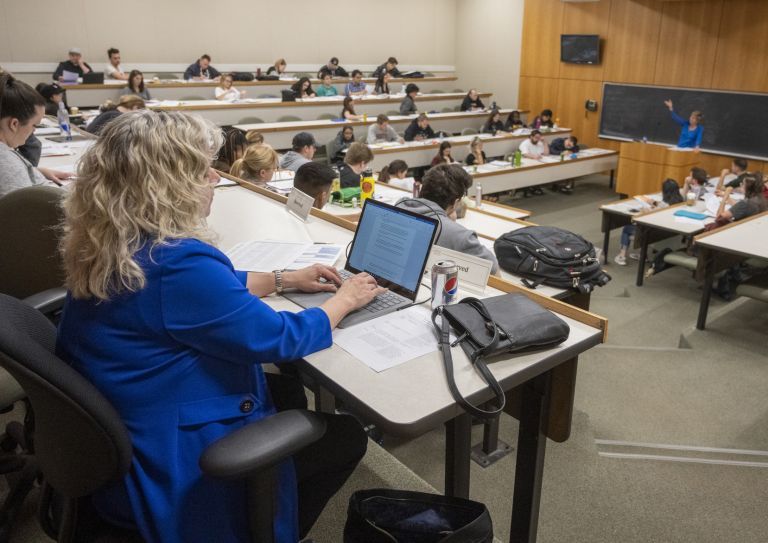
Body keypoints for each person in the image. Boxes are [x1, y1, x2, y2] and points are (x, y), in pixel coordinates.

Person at [57, 110, 378, 543]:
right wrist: (345, 300)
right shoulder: (179, 263)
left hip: (128, 419)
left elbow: (199, 294)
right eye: (200, 170)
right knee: (344, 436)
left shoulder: (112, 235)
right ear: (166, 186)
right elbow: (282, 338)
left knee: (285, 391)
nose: (213, 177)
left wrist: (284, 279)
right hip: (174, 456)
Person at [395, 164, 499, 273]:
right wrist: (449, 223)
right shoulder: (460, 236)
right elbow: (493, 269)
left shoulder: (400, 205)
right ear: (455, 202)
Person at [0, 74, 72, 197]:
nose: (34, 132)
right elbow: (28, 212)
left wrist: (37, 172)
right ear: (14, 124)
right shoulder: (6, 163)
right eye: (34, 125)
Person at [614, 178, 683, 265]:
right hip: (668, 233)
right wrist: (654, 203)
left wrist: (645, 211)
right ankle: (642, 255)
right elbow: (663, 205)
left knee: (627, 229)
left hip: (653, 234)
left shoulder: (662, 207)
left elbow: (651, 215)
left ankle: (622, 255)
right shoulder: (679, 202)